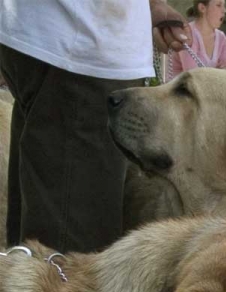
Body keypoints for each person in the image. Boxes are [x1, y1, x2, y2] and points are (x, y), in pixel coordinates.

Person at [0, 1, 190, 254]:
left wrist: (153, 6)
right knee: (69, 266)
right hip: (81, 48)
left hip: (62, 40)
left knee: (40, 250)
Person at [166, 0, 226, 80]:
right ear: (202, 8)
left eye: (224, 6)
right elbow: (193, 76)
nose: (224, 10)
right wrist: (217, 73)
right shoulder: (188, 34)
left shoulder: (221, 38)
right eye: (218, 5)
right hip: (181, 90)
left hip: (208, 90)